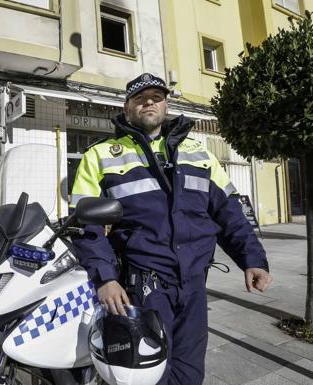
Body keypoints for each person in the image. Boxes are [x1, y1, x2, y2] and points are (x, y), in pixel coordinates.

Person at [70, 73, 272, 385]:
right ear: (126, 108)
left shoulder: (199, 152)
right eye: (140, 99)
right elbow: (85, 222)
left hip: (193, 285)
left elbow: (228, 210)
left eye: (156, 97)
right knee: (147, 373)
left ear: (166, 105)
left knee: (190, 373)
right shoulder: (101, 154)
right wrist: (105, 278)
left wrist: (252, 258)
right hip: (143, 286)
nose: (148, 102)